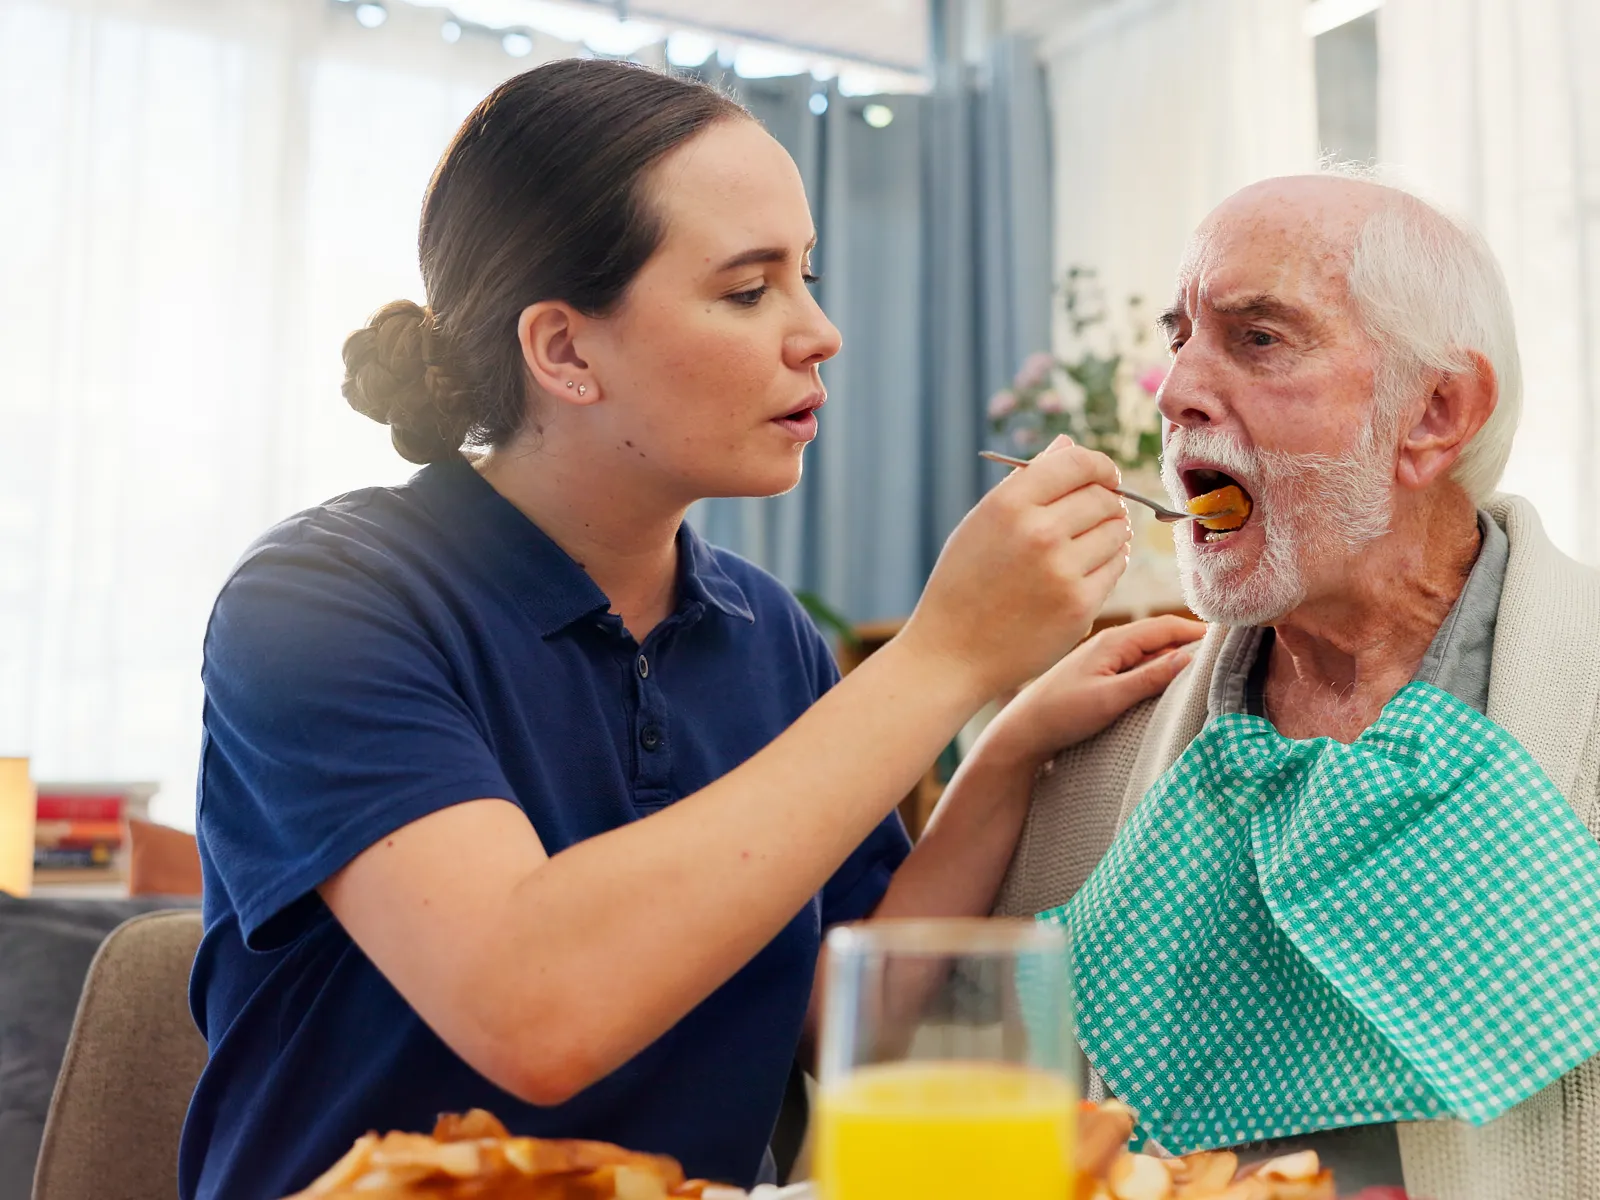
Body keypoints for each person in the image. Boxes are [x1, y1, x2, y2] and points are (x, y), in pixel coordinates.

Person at [179, 59, 1204, 1200]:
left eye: (805, 276)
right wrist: (941, 655)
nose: (819, 333)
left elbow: (835, 1012)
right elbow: (535, 1007)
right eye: (746, 289)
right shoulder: (324, 600)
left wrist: (1004, 742)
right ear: (564, 351)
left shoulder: (767, 636)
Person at [997, 173, 1600, 1200]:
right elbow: (964, 1082)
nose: (1174, 389)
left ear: (1435, 415)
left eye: (1257, 338)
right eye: (1178, 333)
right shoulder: (1089, 749)